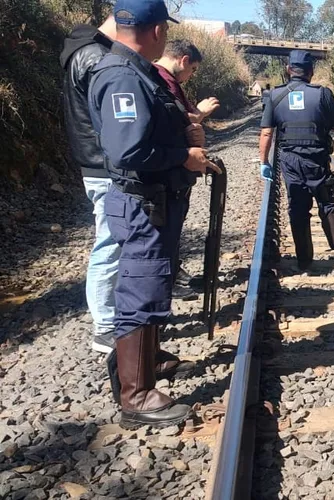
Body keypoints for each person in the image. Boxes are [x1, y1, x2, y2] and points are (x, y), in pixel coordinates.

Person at [88, 0, 219, 428]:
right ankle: (136, 396)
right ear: (158, 29)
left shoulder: (139, 73)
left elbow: (145, 133)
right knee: (140, 293)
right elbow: (128, 150)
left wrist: (184, 132)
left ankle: (142, 370)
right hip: (143, 202)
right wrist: (185, 155)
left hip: (154, 202)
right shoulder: (123, 75)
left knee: (151, 284)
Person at [258, 50, 334, 270]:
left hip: (290, 161)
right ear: (311, 72)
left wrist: (264, 162)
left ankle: (304, 260)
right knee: (327, 203)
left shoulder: (275, 96)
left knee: (297, 207)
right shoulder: (322, 94)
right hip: (317, 159)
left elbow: (266, 133)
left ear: (288, 70)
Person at [61, 16, 118, 353]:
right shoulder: (95, 56)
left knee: (111, 241)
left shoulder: (83, 51)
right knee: (109, 244)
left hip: (95, 161)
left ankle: (111, 320)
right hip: (103, 164)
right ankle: (105, 327)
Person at [153, 39, 220, 300]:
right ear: (183, 60)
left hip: (177, 171)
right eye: (193, 69)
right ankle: (165, 284)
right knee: (165, 230)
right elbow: (177, 119)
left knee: (173, 226)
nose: (191, 76)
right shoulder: (160, 81)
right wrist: (200, 114)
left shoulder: (169, 82)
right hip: (168, 170)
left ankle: (173, 272)